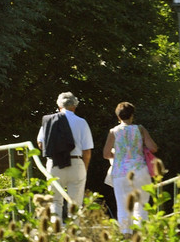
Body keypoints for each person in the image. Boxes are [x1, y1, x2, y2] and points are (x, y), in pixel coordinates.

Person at [103, 101, 159, 234]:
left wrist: (118, 155)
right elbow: (153, 148)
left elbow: (106, 154)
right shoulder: (140, 129)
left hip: (120, 173)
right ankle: (141, 235)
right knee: (141, 205)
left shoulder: (113, 132)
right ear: (132, 115)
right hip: (140, 171)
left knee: (123, 207)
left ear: (118, 117)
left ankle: (126, 237)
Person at [37, 92, 94, 220]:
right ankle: (74, 235)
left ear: (59, 105)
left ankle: (56, 233)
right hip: (76, 163)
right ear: (74, 106)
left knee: (54, 202)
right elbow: (87, 151)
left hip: (54, 164)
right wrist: (84, 168)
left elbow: (40, 143)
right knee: (75, 204)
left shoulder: (49, 121)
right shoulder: (81, 122)